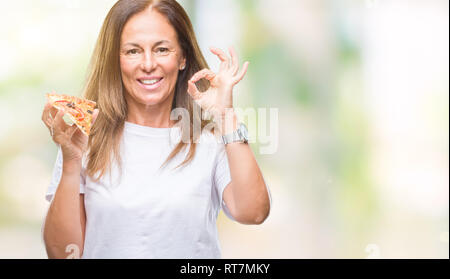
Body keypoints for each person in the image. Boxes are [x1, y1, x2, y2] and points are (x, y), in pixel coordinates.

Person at [41, 0, 272, 259]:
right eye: (132, 51)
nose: (148, 64)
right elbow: (62, 254)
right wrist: (71, 163)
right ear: (115, 60)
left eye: (162, 49)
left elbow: (253, 212)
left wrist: (226, 116)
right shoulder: (84, 140)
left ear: (182, 57)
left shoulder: (212, 141)